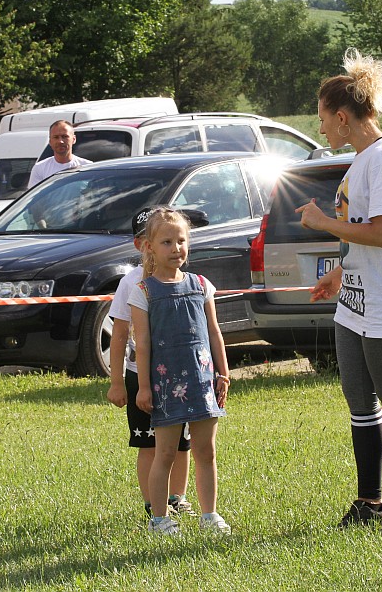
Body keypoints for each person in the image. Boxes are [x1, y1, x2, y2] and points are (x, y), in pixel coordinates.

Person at [296, 48, 382, 529]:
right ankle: (369, 502)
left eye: (325, 120)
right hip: (355, 300)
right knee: (359, 400)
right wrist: (340, 270)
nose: (323, 129)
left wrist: (324, 223)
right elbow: (364, 236)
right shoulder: (360, 162)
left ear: (345, 118)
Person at [129, 208, 232, 536]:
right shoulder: (143, 292)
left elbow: (214, 332)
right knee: (166, 454)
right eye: (167, 242)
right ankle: (159, 519)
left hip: (202, 382)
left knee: (206, 451)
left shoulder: (202, 285)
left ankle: (210, 515)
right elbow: (142, 344)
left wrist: (223, 373)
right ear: (149, 247)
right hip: (165, 385)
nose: (176, 248)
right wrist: (143, 387)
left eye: (182, 241)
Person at [106, 207, 203, 520]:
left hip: (181, 375)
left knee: (181, 444)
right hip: (141, 376)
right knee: (149, 444)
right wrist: (118, 381)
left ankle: (179, 498)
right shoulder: (131, 283)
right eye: (156, 240)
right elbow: (120, 335)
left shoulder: (188, 281)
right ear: (143, 244)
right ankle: (153, 505)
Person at [26, 120, 92, 188]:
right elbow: (35, 197)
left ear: (74, 139)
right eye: (56, 137)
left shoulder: (87, 167)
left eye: (64, 136)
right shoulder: (40, 168)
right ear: (50, 141)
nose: (60, 141)